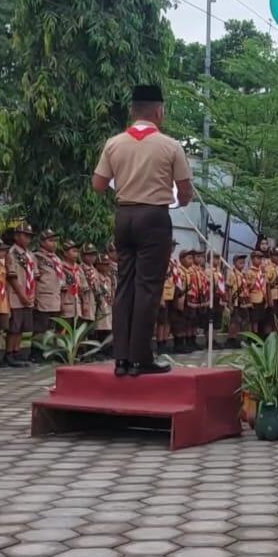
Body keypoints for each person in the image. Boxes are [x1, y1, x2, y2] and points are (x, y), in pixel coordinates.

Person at [92, 84, 194, 377]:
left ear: (132, 111)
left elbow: (98, 185)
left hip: (124, 216)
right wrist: (178, 196)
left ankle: (121, 358)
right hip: (154, 217)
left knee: (124, 284)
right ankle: (142, 358)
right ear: (159, 111)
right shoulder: (170, 145)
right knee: (148, 288)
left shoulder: (114, 143)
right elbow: (185, 192)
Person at [5, 224, 37, 368]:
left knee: (23, 327)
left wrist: (31, 294)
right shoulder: (12, 253)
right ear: (16, 236)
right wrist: (22, 294)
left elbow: (35, 276)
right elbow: (11, 277)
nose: (28, 238)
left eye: (29, 236)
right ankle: (9, 353)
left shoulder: (30, 255)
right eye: (25, 235)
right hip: (17, 295)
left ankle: (17, 352)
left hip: (28, 293)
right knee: (14, 327)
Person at [32, 230, 63, 363]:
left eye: (55, 241)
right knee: (40, 327)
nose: (54, 243)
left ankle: (49, 352)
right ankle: (36, 353)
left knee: (51, 328)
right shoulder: (36, 257)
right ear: (42, 242)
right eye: (50, 241)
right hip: (43, 297)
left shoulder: (56, 259)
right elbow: (34, 278)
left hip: (55, 298)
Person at [227, 254, 248, 348]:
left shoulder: (243, 274)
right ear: (234, 263)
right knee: (234, 321)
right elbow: (229, 289)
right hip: (235, 301)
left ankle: (237, 338)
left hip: (242, 301)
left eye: (243, 262)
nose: (242, 264)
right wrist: (230, 303)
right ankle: (231, 339)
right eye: (240, 262)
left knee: (240, 321)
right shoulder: (232, 273)